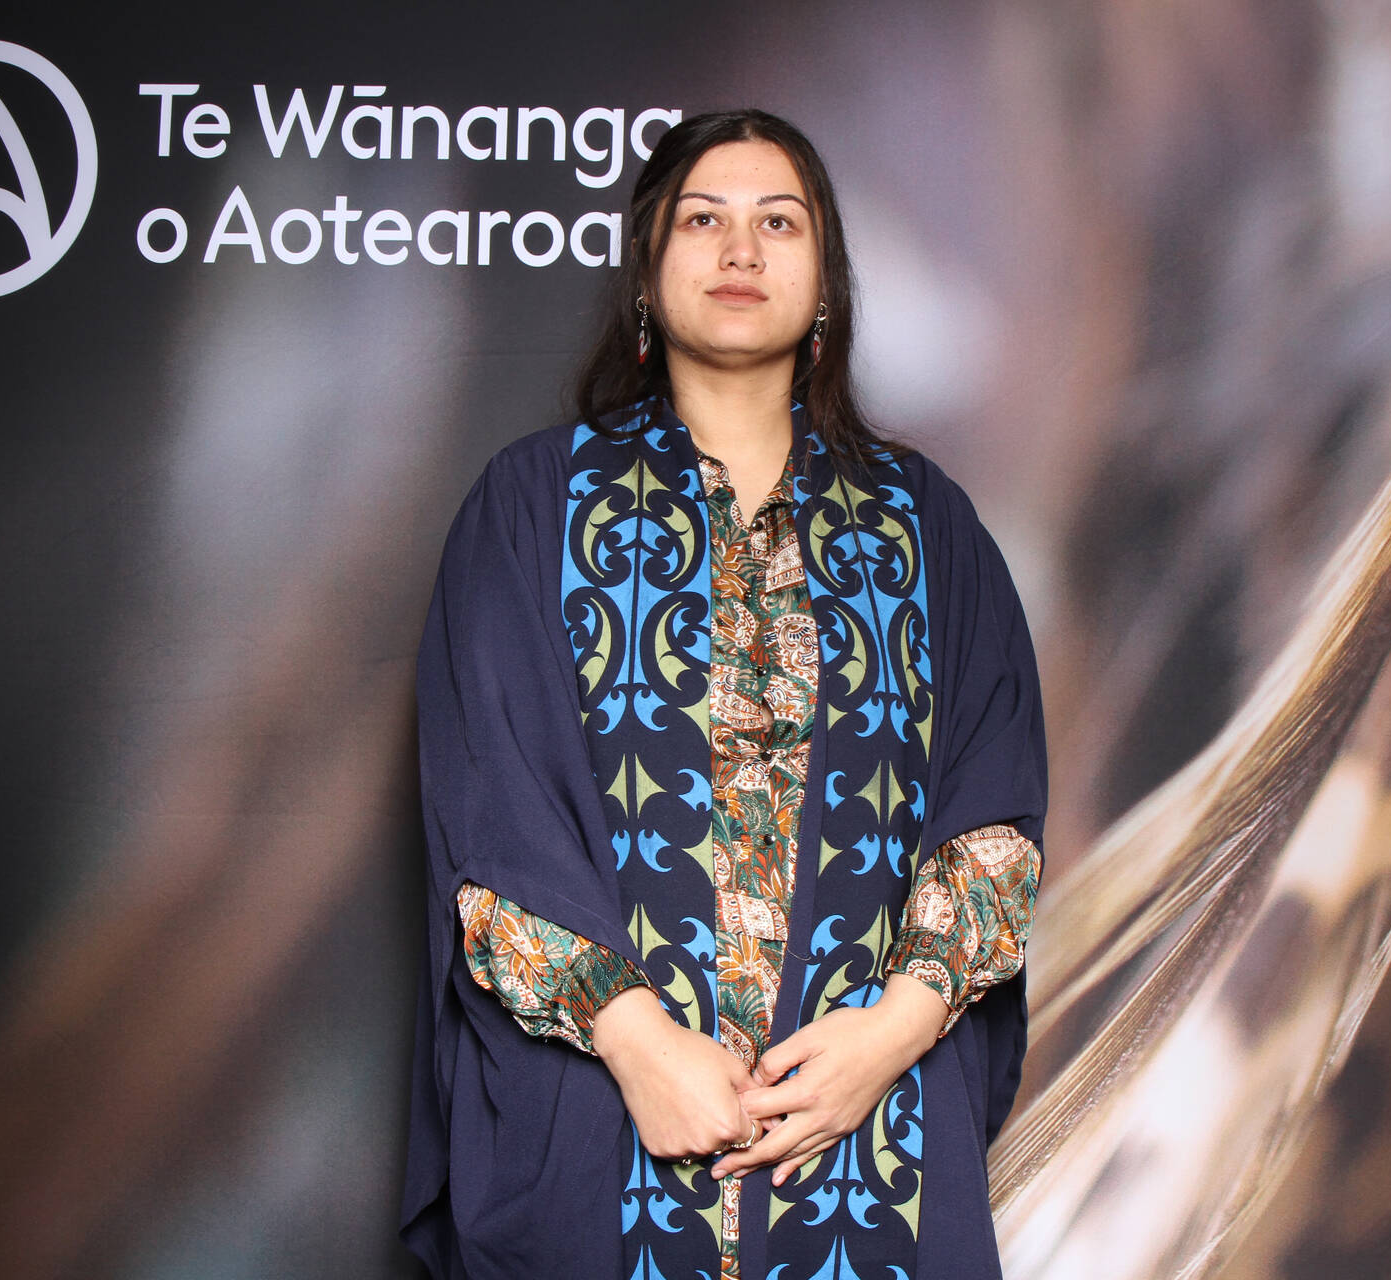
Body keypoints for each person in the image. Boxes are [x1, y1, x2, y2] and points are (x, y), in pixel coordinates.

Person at [401, 108, 1047, 1280]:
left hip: (870, 1142)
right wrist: (637, 1041)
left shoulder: (925, 528)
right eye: (704, 220)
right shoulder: (532, 508)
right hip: (604, 1131)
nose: (741, 249)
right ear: (647, 275)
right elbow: (493, 814)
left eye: (778, 223)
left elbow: (991, 811)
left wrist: (889, 1034)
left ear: (828, 283)